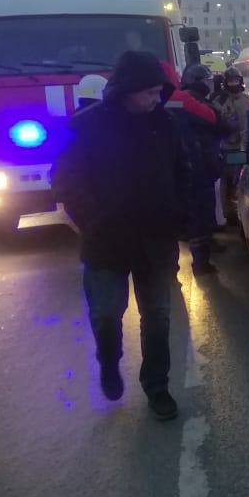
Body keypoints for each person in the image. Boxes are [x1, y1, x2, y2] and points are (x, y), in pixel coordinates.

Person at [52, 51, 189, 420]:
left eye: (159, 92)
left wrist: (182, 215)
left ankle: (157, 386)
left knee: (158, 317)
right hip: (106, 244)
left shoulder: (166, 124)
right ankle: (109, 361)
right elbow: (65, 178)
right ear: (126, 91)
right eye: (148, 93)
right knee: (107, 315)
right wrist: (93, 220)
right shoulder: (87, 126)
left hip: (156, 242)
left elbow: (182, 171)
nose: (155, 100)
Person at [172, 64, 225, 274]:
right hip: (198, 166)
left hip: (186, 167)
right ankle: (201, 263)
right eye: (207, 81)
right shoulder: (193, 103)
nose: (210, 85)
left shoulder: (173, 101)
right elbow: (221, 125)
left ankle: (183, 261)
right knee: (199, 214)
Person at [212, 67, 249, 223]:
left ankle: (240, 211)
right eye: (230, 81)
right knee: (225, 181)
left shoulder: (247, 100)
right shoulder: (219, 101)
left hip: (243, 147)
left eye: (236, 80)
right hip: (226, 147)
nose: (233, 83)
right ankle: (227, 213)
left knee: (240, 181)